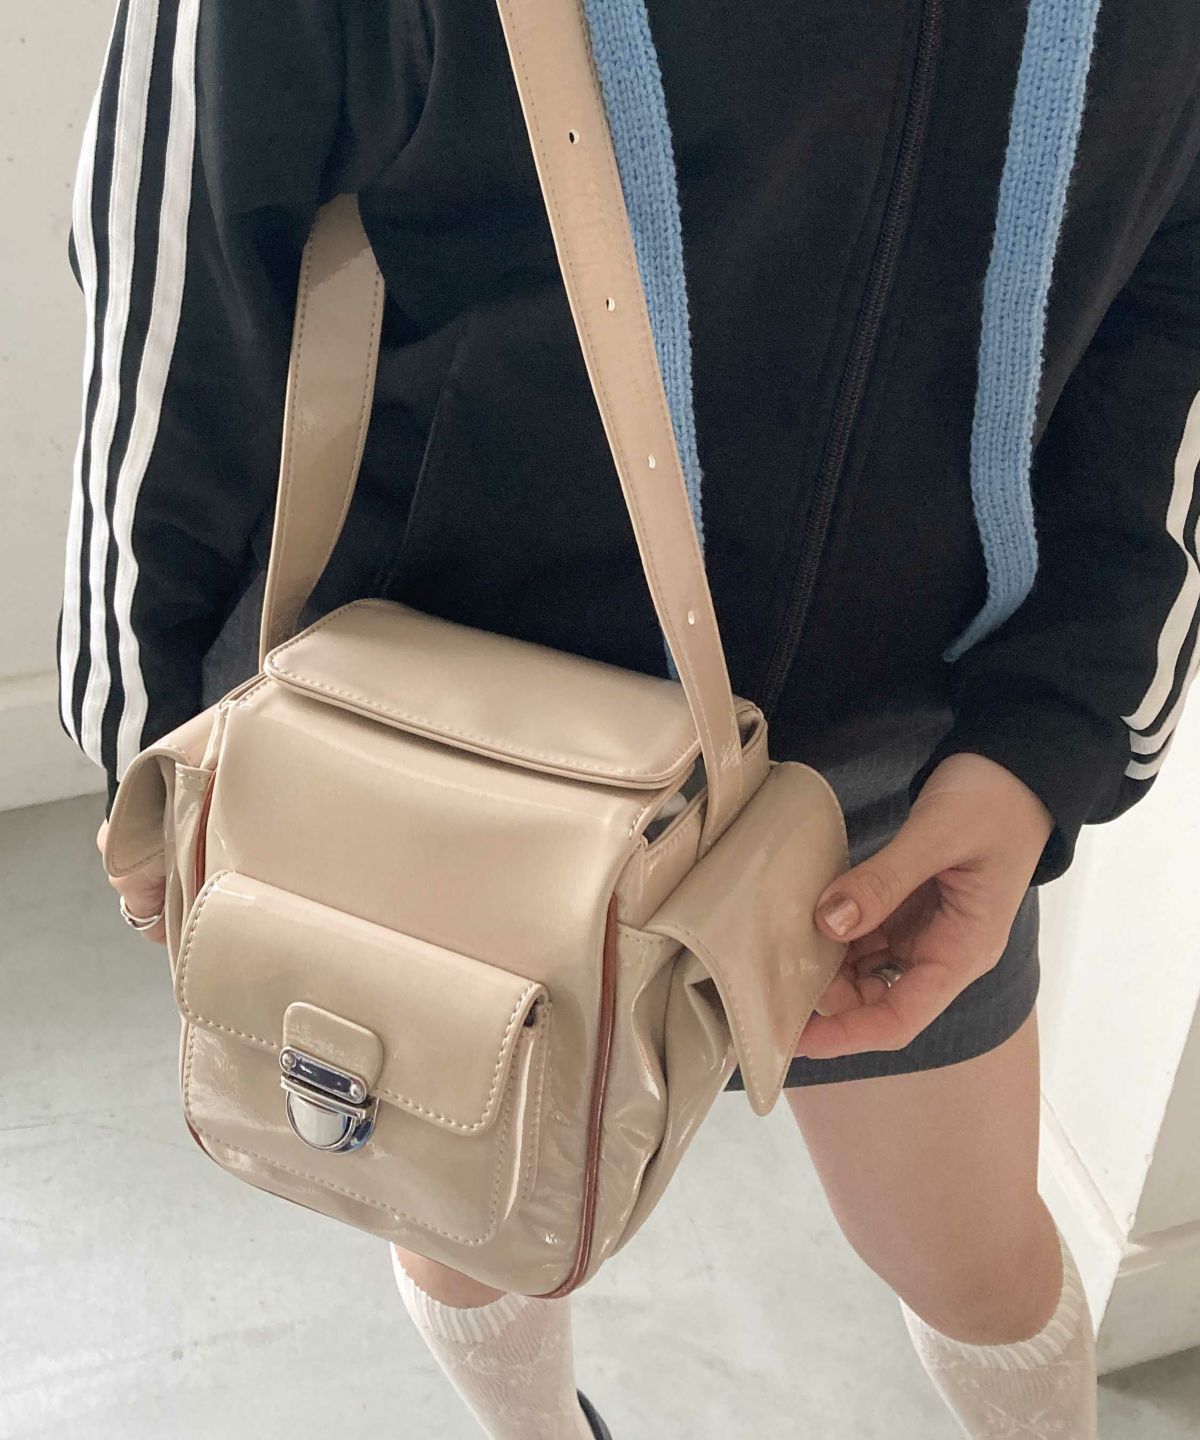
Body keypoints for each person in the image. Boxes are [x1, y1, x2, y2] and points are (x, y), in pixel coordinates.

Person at [59, 1, 1200, 1436]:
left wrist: (1050, 740)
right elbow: (180, 261)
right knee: (472, 1209)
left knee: (976, 1264)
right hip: (458, 747)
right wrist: (148, 732)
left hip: (918, 774)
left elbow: (1171, 306)